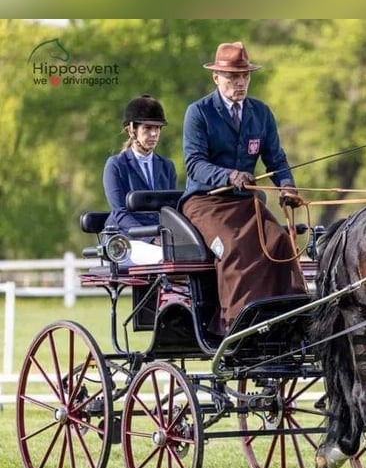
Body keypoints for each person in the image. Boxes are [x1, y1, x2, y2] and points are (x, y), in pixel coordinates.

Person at [180, 41, 306, 335]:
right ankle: (235, 325)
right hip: (205, 202)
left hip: (245, 202)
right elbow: (194, 164)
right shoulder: (198, 113)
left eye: (245, 77)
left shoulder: (261, 113)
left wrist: (287, 186)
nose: (240, 83)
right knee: (234, 248)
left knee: (281, 243)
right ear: (216, 78)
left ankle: (290, 319)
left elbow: (275, 158)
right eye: (233, 78)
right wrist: (229, 175)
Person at [103, 94, 177, 264]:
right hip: (124, 240)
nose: (154, 134)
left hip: (161, 239)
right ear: (131, 130)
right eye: (147, 128)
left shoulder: (167, 167)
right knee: (165, 259)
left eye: (157, 128)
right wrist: (152, 238)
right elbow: (120, 213)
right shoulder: (115, 165)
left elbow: (172, 210)